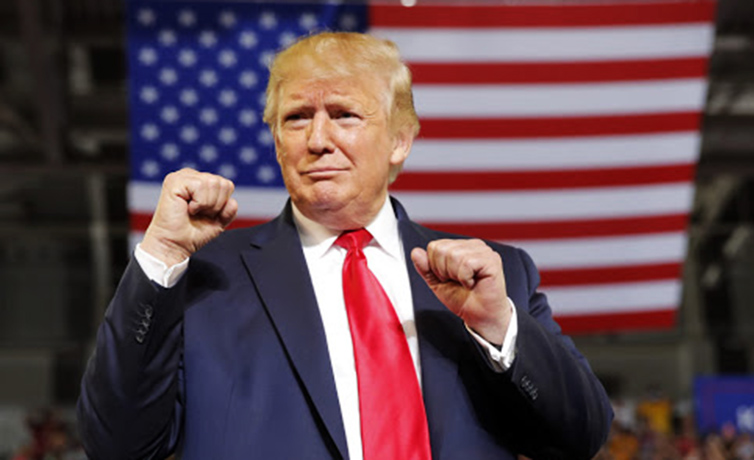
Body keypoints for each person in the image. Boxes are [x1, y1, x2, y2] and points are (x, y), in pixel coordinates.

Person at [77, 32, 611, 460]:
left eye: (344, 114)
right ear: (275, 138)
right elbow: (117, 444)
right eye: (296, 117)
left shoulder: (497, 278)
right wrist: (163, 254)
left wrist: (498, 327)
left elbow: (580, 437)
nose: (317, 139)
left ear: (400, 138)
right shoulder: (202, 276)